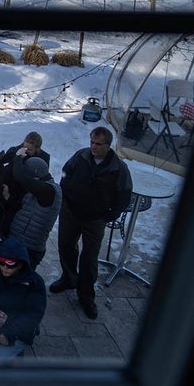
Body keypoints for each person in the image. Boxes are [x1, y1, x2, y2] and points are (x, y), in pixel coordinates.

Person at [50, 127, 132, 320]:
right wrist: (66, 197)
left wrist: (110, 214)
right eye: (92, 142)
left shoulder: (118, 169)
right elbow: (65, 173)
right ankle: (68, 278)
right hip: (71, 212)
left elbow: (124, 194)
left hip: (95, 219)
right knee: (66, 246)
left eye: (98, 144)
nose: (93, 147)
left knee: (89, 257)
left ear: (108, 145)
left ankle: (86, 295)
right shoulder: (81, 156)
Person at [0, 132, 50, 244]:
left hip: (23, 194)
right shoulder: (14, 151)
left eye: (30, 150)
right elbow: (4, 172)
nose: (26, 151)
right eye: (24, 147)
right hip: (6, 190)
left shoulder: (43, 158)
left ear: (37, 149)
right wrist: (17, 158)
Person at [7, 156, 62, 269]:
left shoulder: (50, 191)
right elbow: (25, 209)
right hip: (17, 242)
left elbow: (20, 176)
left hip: (29, 249)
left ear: (35, 177)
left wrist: (18, 157)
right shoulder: (38, 189)